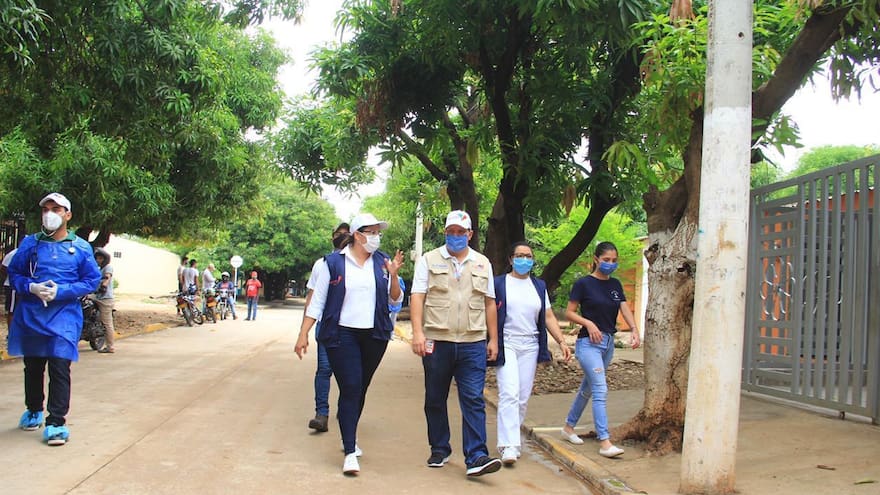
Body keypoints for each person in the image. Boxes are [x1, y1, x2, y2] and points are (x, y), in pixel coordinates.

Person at [295, 213, 403, 475]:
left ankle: (349, 435)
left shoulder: (383, 262)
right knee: (351, 386)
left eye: (379, 232)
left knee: (360, 388)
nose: (377, 237)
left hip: (374, 335)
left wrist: (394, 276)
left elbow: (395, 301)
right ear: (357, 234)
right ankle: (350, 449)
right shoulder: (332, 263)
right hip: (342, 335)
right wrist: (303, 333)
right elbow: (318, 301)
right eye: (372, 232)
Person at [410, 210, 502, 477]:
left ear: (470, 234)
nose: (456, 236)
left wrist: (493, 339)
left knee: (473, 398)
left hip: (473, 342)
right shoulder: (429, 260)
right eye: (451, 232)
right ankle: (439, 447)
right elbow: (418, 296)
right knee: (435, 398)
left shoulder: (483, 262)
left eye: (461, 232)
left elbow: (489, 303)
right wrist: (418, 333)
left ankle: (476, 456)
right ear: (445, 232)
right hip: (438, 341)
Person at [6, 193, 101, 446]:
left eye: (56, 209)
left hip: (64, 316)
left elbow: (91, 280)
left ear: (67, 215)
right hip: (32, 314)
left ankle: (56, 422)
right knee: (34, 366)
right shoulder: (30, 244)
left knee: (60, 366)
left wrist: (63, 292)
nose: (50, 213)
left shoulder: (81, 247)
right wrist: (31, 287)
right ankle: (34, 409)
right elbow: (14, 275)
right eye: (46, 209)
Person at [490, 242, 572, 465]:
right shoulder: (499, 283)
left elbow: (547, 317)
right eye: (519, 255)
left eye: (528, 256)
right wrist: (492, 341)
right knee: (509, 393)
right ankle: (507, 445)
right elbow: (488, 313)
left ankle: (514, 439)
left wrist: (562, 342)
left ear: (533, 261)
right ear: (511, 259)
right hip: (507, 343)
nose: (523, 259)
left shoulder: (539, 286)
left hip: (530, 346)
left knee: (523, 396)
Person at [561, 241, 640, 458]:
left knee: (588, 388)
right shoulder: (584, 284)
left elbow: (624, 308)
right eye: (606, 260)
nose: (610, 264)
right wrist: (588, 323)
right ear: (596, 259)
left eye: (614, 261)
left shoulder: (615, 284)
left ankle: (568, 428)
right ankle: (605, 441)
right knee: (600, 389)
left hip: (608, 344)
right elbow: (569, 313)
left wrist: (634, 329)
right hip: (588, 344)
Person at [305, 222, 350, 433]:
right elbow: (312, 296)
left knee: (347, 372)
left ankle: (346, 413)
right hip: (325, 325)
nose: (341, 237)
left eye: (346, 234)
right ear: (332, 237)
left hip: (350, 326)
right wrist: (304, 329)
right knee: (324, 369)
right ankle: (321, 414)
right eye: (338, 234)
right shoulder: (321, 264)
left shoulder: (357, 263)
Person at [93, 247, 116, 354]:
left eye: (100, 258)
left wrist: (104, 286)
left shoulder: (108, 267)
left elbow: (107, 278)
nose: (98, 260)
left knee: (107, 323)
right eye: (97, 258)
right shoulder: (99, 269)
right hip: (98, 297)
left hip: (105, 299)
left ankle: (110, 346)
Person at [2, 242, 20, 329]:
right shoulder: (14, 253)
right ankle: (10, 332)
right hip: (12, 286)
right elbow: (3, 267)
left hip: (20, 286)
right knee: (12, 310)